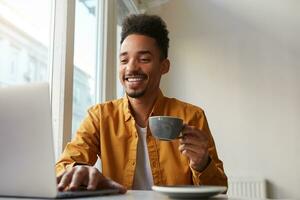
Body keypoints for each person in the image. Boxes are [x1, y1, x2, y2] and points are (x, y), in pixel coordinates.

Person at [56, 14, 227, 193]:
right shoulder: (100, 116)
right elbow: (63, 166)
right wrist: (77, 170)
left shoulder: (192, 116)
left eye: (144, 59)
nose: (130, 68)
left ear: (164, 66)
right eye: (124, 60)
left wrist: (202, 163)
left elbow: (221, 189)